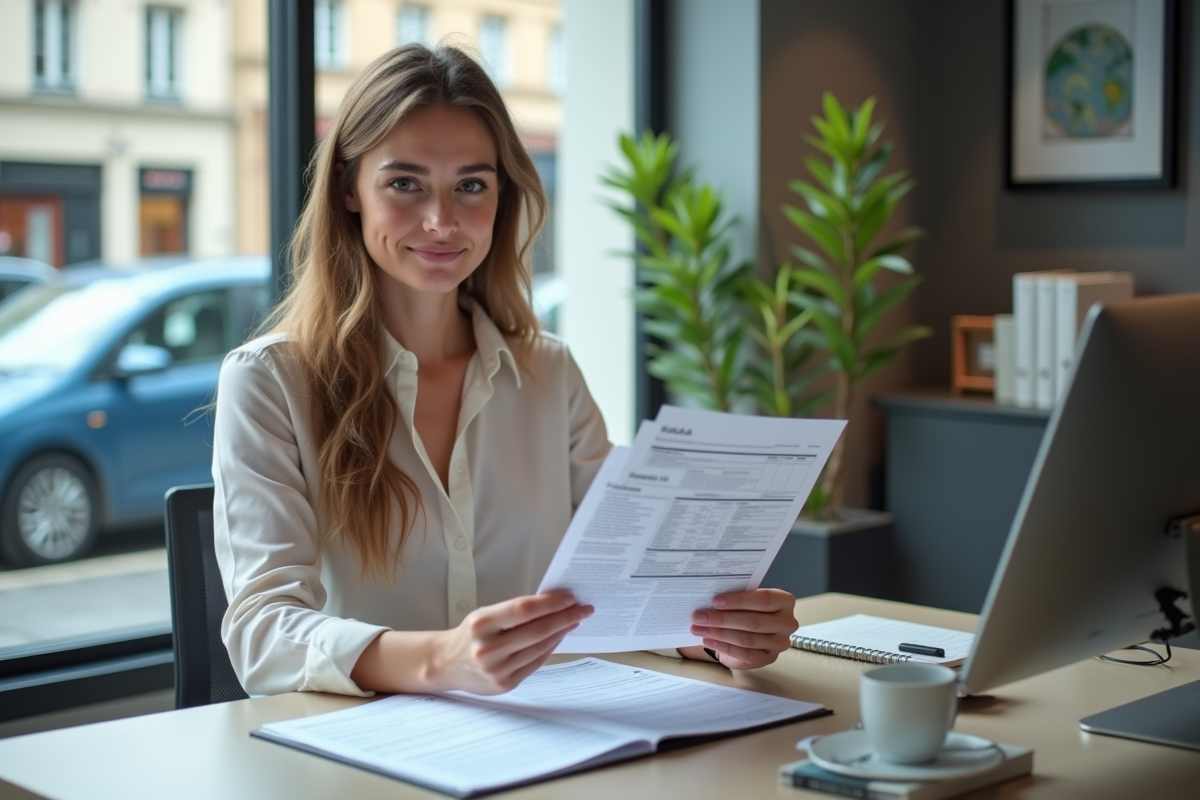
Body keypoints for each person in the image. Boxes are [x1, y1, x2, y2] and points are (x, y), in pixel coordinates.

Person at [212, 43, 798, 698]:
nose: (442, 221)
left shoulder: (550, 373)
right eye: (405, 183)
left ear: (502, 195)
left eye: (471, 186)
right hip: (358, 754)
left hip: (546, 744)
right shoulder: (269, 382)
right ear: (349, 188)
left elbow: (619, 586)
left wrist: (712, 633)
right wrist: (440, 660)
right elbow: (261, 635)